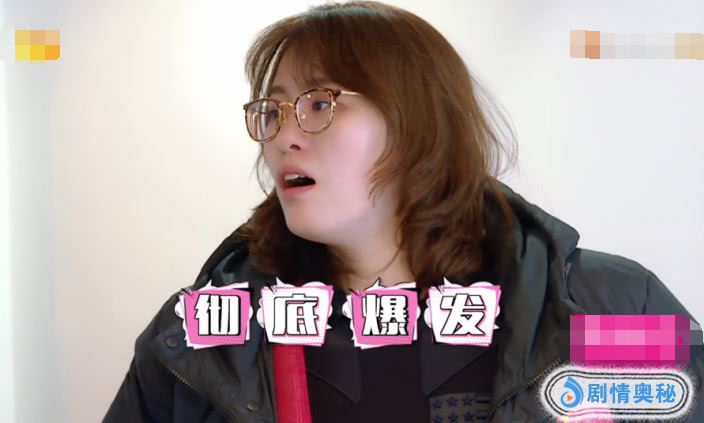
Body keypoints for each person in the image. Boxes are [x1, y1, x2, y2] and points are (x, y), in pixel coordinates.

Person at [104, 1, 704, 422]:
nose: (284, 136)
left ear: (419, 124)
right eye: (273, 111)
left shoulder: (608, 306)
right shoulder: (199, 340)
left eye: (319, 104)